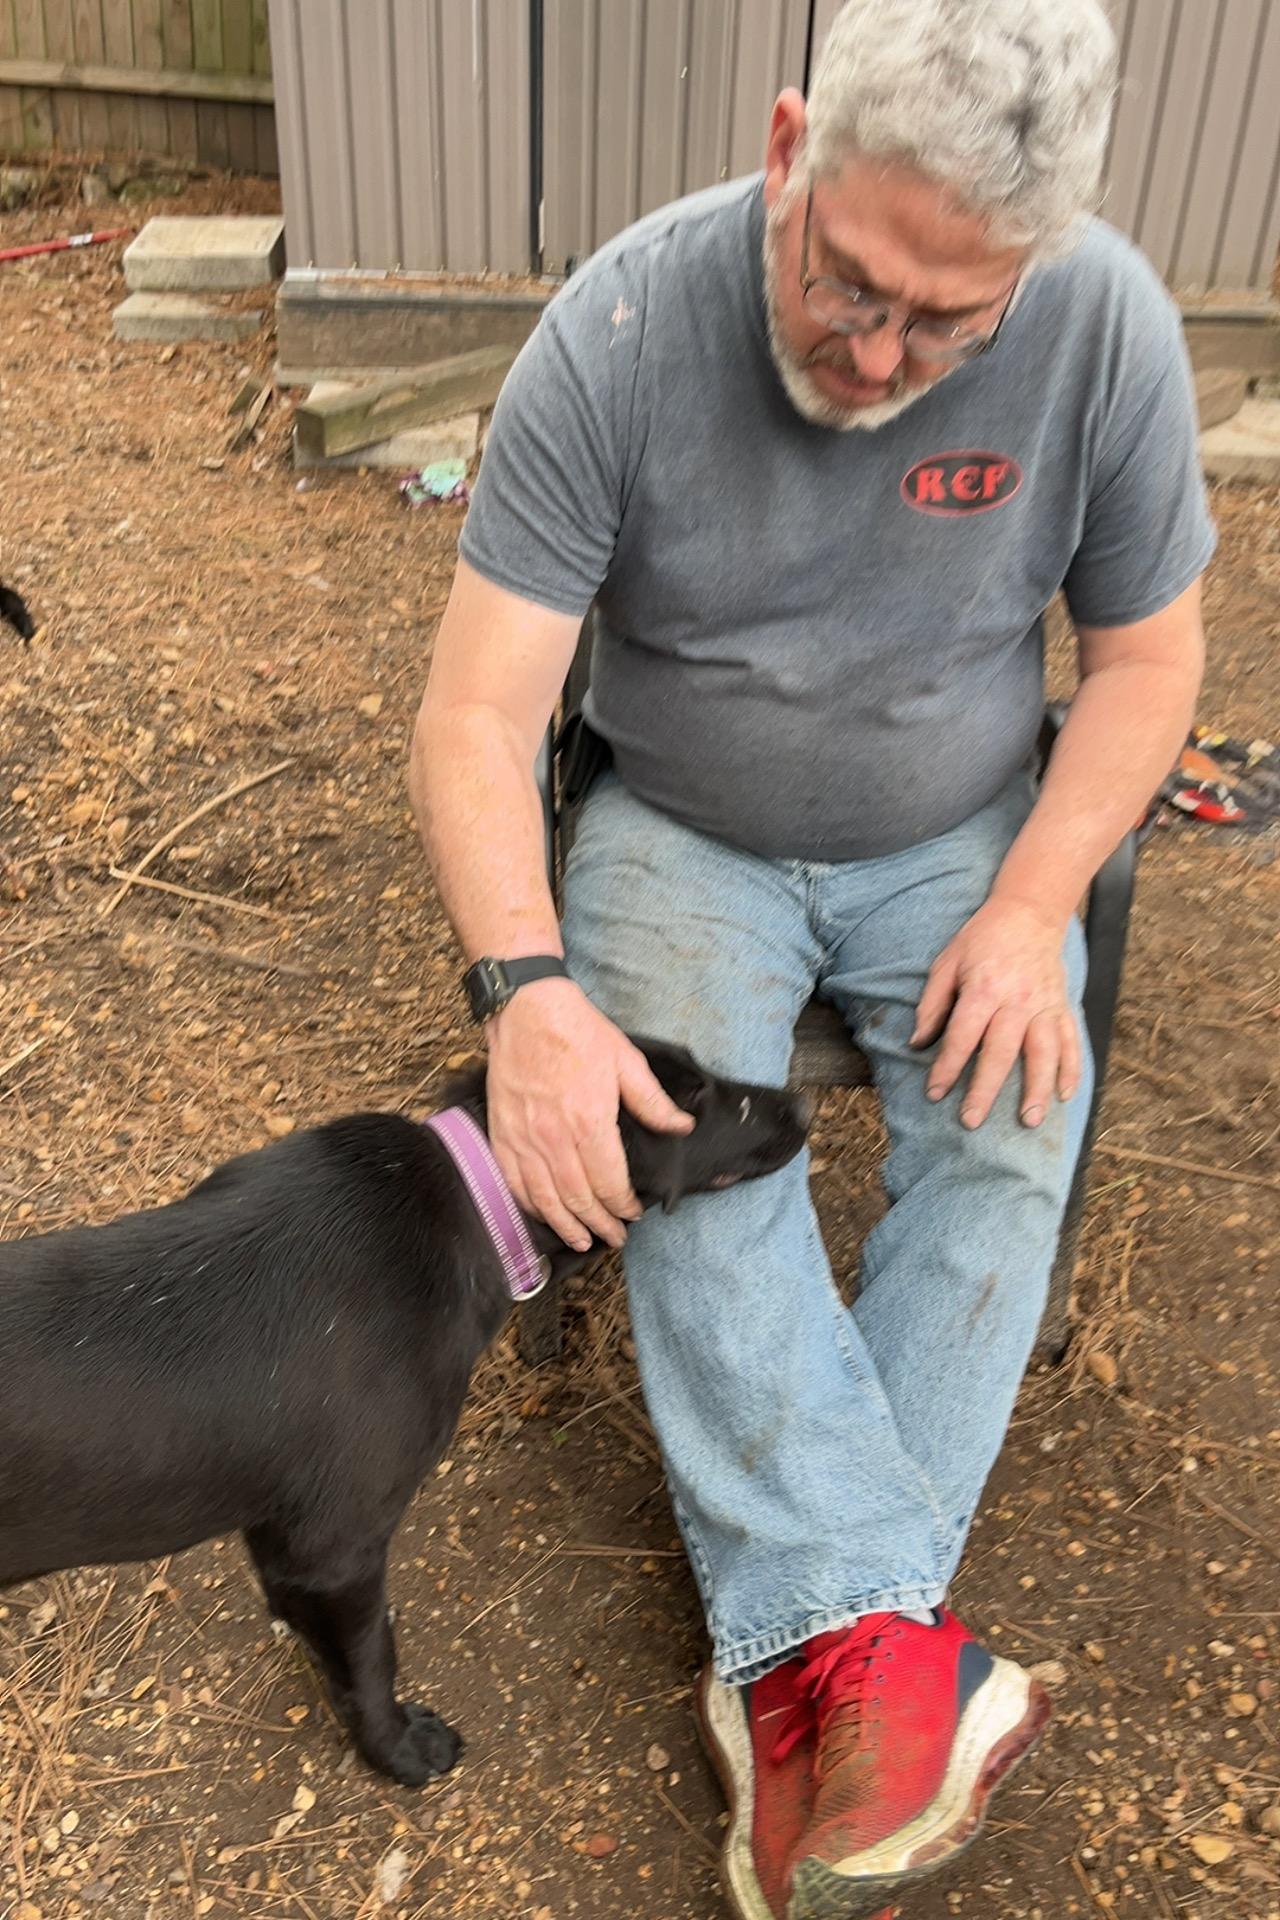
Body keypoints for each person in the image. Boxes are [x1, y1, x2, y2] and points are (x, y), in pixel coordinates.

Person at [409, 2, 1214, 1913]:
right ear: (787, 146)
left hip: (963, 836)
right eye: (846, 280)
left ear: (1031, 265)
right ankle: (876, 1667)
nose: (877, 351)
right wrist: (525, 996)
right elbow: (474, 717)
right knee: (668, 1131)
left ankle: (811, 1666)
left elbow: (1154, 665)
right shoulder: (618, 326)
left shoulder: (1106, 330)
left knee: (1019, 1111)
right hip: (683, 826)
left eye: (948, 321)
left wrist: (1033, 909)